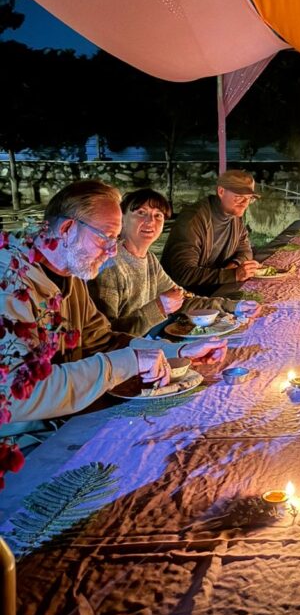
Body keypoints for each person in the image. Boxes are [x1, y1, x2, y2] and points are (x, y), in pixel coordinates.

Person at [0, 181, 227, 428]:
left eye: (115, 239)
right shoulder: (9, 285)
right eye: (106, 238)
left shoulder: (70, 276)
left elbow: (103, 340)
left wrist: (176, 352)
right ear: (67, 228)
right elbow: (16, 394)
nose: (112, 251)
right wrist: (129, 362)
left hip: (69, 418)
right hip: (26, 440)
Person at [89, 189, 262, 335]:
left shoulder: (149, 259)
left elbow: (182, 299)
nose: (151, 222)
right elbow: (106, 334)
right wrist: (158, 308)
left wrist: (233, 306)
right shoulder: (109, 265)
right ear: (121, 220)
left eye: (158, 215)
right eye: (141, 213)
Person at [161, 169, 262, 297]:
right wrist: (233, 274)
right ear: (221, 192)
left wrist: (234, 266)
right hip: (181, 296)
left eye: (249, 198)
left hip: (212, 288)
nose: (245, 204)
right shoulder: (193, 220)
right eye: (239, 197)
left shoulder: (234, 216)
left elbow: (245, 251)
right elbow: (183, 273)